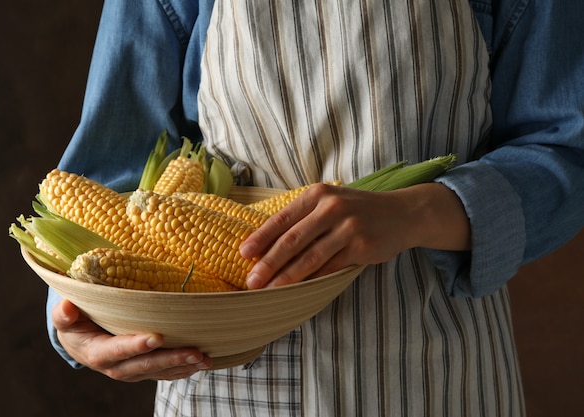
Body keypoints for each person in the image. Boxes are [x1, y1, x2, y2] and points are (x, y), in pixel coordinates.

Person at [46, 0, 584, 415]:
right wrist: (76, 315)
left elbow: (566, 146)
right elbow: (111, 178)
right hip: (221, 385)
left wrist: (419, 211)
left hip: (435, 374)